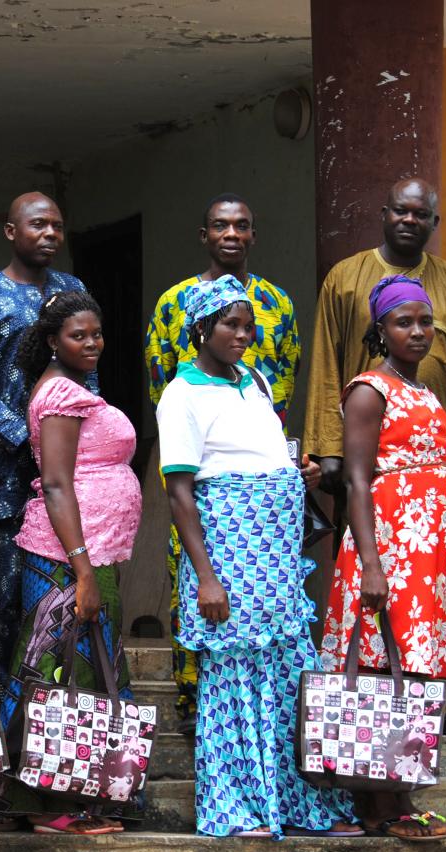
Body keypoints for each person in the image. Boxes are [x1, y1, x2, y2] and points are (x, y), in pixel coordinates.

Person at [158, 276, 359, 839]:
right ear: (201, 328)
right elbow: (180, 492)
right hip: (229, 553)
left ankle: (301, 808)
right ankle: (238, 809)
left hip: (275, 554)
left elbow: (259, 453)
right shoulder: (182, 395)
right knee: (237, 678)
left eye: (248, 326)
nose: (243, 336)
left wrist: (300, 474)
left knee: (289, 675)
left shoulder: (253, 379)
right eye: (231, 325)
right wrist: (205, 577)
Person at [303, 177, 446, 741]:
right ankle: (377, 739)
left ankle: (435, 709)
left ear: (433, 223)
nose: (410, 221)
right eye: (401, 211)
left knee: (433, 612)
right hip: (377, 485)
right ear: (383, 214)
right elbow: (324, 365)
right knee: (375, 606)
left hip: (434, 500)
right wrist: (328, 448)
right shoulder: (346, 280)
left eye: (422, 214)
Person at [320, 275, 446, 840]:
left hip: (431, 550)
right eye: (403, 322)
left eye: (424, 321)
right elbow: (358, 481)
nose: (417, 331)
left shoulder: (427, 391)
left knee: (412, 670)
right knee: (377, 666)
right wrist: (371, 562)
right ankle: (378, 805)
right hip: (389, 543)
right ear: (380, 330)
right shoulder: (370, 390)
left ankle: (401, 797)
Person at [0, 291, 143, 834]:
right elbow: (54, 484)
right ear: (53, 340)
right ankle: (48, 805)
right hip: (65, 560)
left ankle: (82, 795)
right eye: (79, 335)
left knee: (83, 673)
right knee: (56, 676)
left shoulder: (71, 389)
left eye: (97, 333)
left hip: (89, 555)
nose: (92, 343)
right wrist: (82, 570)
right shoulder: (58, 396)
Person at [145, 193, 300, 733]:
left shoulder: (277, 304)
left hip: (268, 496)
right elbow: (159, 378)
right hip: (206, 479)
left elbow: (287, 379)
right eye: (220, 225)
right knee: (202, 598)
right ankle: (196, 706)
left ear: (254, 235)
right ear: (204, 233)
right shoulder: (173, 305)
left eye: (242, 225)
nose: (231, 234)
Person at [0, 192, 87, 688]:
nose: (50, 234)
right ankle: (14, 705)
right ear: (11, 232)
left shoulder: (72, 289)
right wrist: (25, 435)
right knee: (12, 591)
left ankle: (66, 700)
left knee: (72, 583)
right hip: (12, 469)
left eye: (57, 225)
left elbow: (85, 375)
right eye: (38, 225)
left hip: (72, 468)